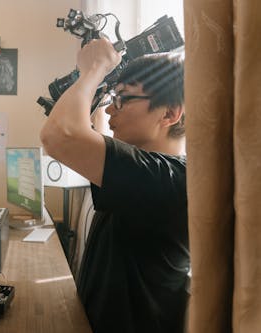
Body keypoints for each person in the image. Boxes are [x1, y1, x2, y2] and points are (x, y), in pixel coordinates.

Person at [40, 38, 189, 333]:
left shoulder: (168, 178)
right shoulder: (148, 171)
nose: (110, 111)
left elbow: (59, 136)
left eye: (123, 98)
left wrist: (95, 68)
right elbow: (74, 134)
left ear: (170, 113)